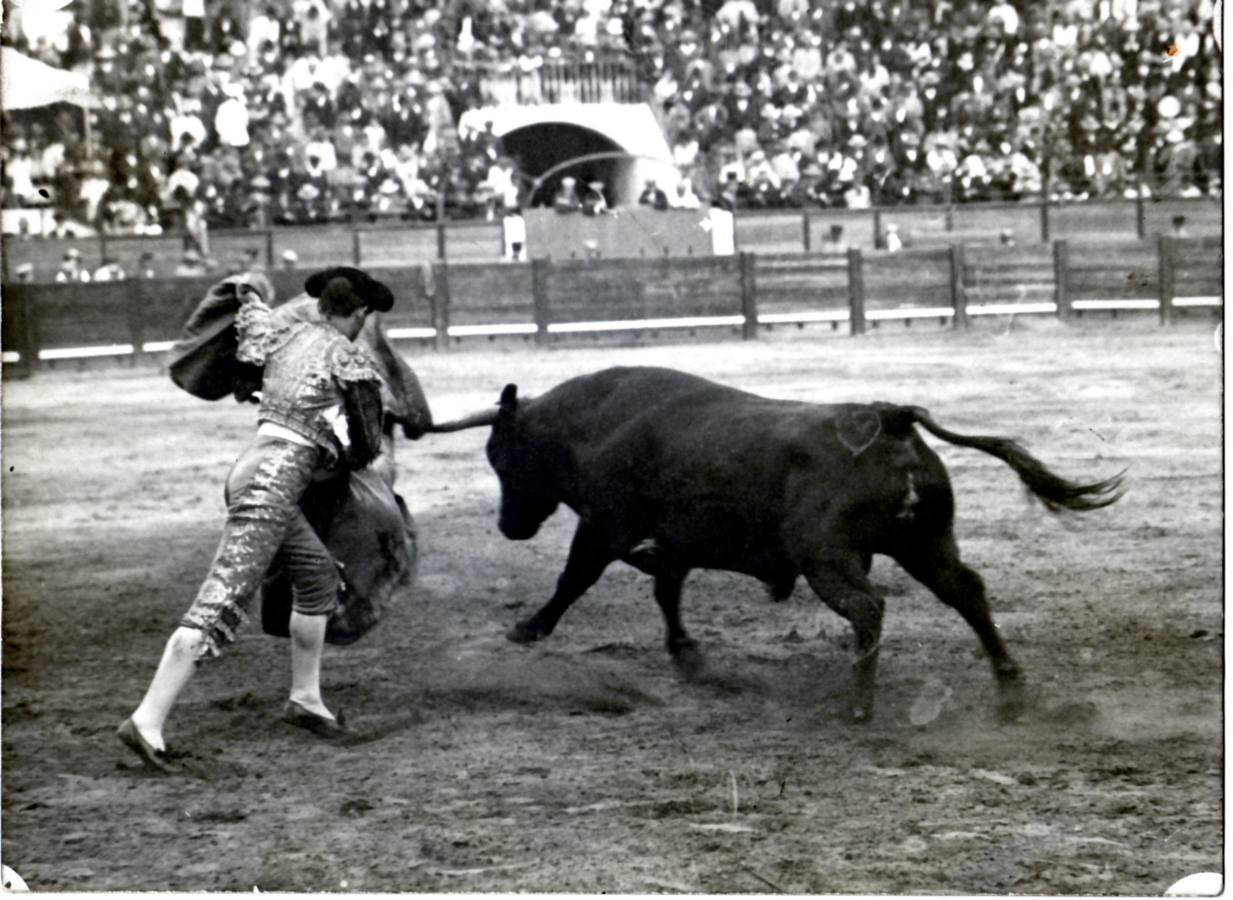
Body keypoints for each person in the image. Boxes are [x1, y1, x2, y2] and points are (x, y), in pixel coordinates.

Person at [117, 267, 395, 772]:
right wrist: (335, 452)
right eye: (362, 318)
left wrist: (249, 293)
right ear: (357, 315)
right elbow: (368, 445)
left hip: (253, 470)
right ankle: (146, 720)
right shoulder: (350, 358)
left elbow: (248, 346)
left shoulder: (281, 335)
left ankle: (305, 699)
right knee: (221, 600)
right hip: (271, 485)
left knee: (315, 579)